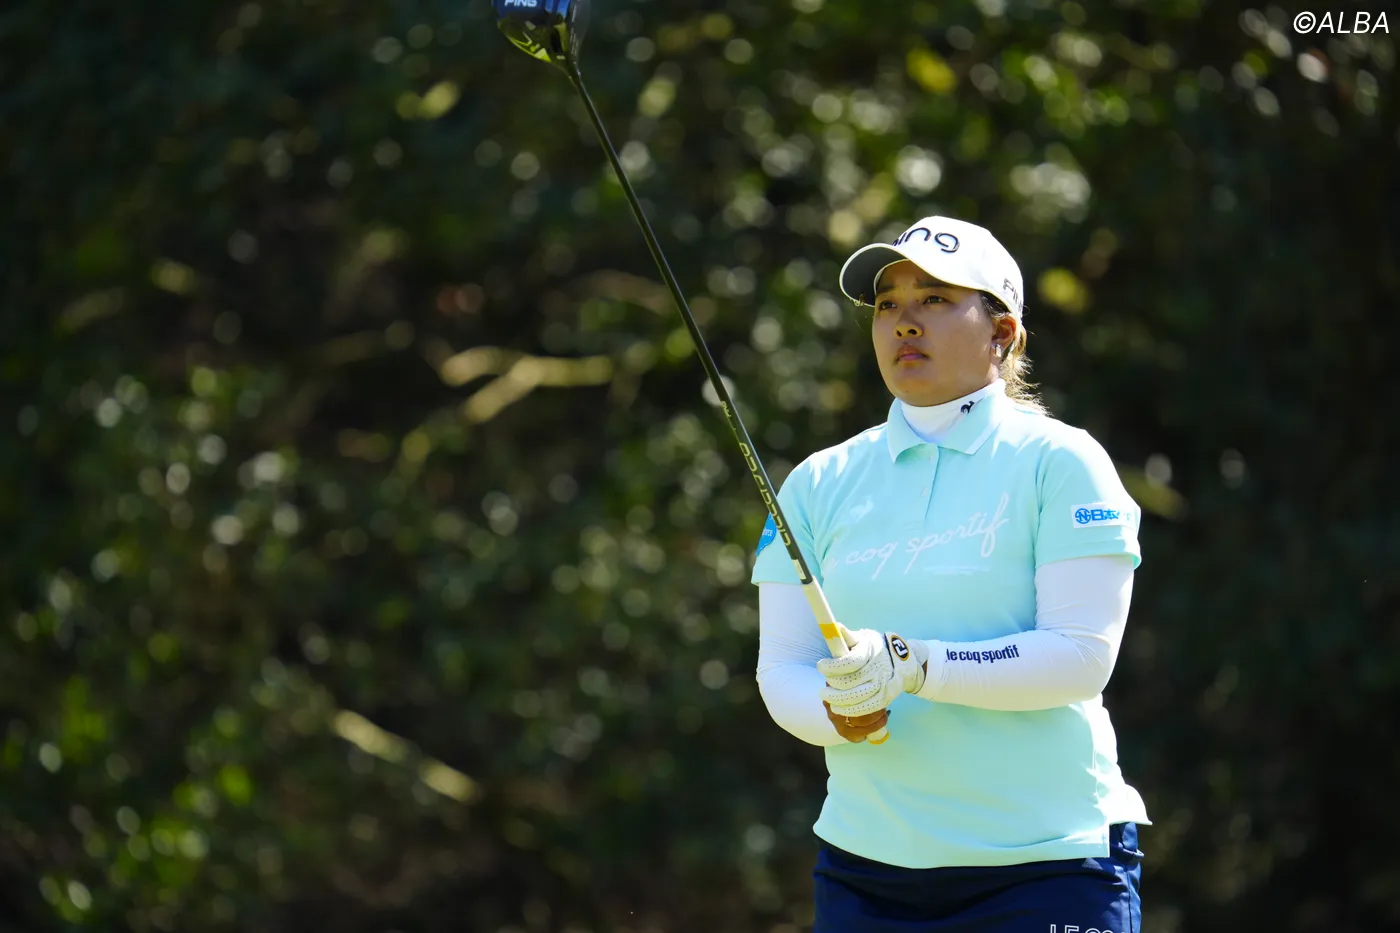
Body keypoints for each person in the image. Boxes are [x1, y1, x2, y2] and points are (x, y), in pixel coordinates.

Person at [750, 216, 1148, 932]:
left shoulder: (1063, 461)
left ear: (1003, 333)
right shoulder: (816, 482)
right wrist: (836, 713)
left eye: (935, 298)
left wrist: (914, 665)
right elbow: (783, 668)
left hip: (1050, 868)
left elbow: (1081, 656)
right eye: (888, 304)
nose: (905, 321)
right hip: (866, 872)